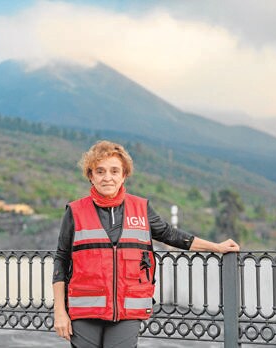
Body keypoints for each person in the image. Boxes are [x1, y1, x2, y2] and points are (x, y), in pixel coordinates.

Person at [52, 140, 240, 348]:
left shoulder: (141, 208)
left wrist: (216, 247)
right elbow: (61, 261)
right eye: (100, 171)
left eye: (115, 171)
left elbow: (170, 234)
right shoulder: (75, 211)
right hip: (85, 311)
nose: (107, 178)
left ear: (124, 175)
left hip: (127, 311)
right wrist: (60, 312)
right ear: (91, 175)